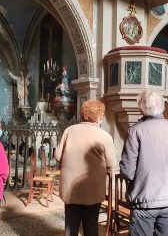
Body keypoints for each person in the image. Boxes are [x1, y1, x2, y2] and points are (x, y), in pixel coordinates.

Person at [120, 89, 168, 236]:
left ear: (141, 108)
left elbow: (127, 170)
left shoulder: (136, 131)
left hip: (145, 201)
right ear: (162, 107)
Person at [55, 100, 117, 236]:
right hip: (92, 190)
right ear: (99, 117)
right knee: (91, 225)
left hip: (71, 189)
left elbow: (58, 156)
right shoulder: (104, 136)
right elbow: (112, 163)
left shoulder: (69, 131)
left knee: (71, 225)